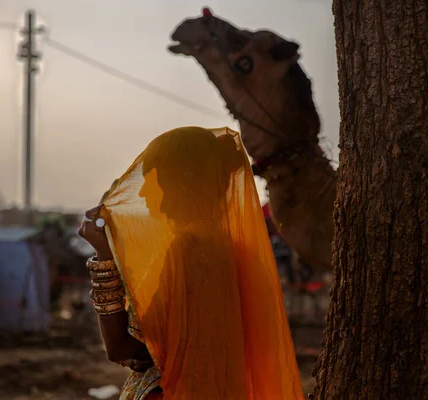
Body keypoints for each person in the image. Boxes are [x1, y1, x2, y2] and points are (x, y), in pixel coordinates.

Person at [79, 127, 304, 399]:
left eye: (156, 180)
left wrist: (104, 260)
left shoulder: (189, 248)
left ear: (182, 184)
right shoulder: (235, 249)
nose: (146, 193)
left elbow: (122, 348)